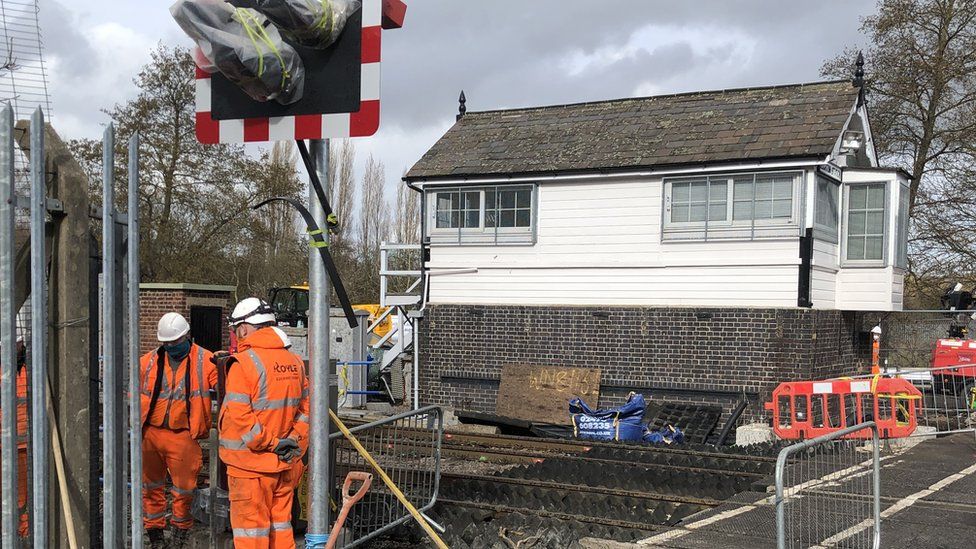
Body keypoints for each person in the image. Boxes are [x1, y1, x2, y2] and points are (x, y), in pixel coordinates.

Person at [219, 297, 310, 549]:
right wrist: (292, 440)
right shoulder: (294, 362)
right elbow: (306, 410)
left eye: (237, 330)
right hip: (285, 463)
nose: (237, 336)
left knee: (252, 535)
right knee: (281, 528)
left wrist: (271, 443)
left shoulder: (243, 363)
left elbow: (241, 418)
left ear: (245, 328)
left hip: (250, 468)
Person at [139, 312, 217, 548]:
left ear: (187, 336)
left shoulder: (207, 360)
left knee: (184, 490)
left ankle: (179, 536)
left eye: (175, 342)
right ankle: (155, 536)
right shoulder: (148, 362)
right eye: (167, 343)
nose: (172, 346)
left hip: (183, 434)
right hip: (150, 433)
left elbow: (225, 383)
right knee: (150, 487)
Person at [0, 334, 29, 538]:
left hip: (22, 447)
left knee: (21, 500)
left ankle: (22, 537)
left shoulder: (30, 371)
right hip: (5, 445)